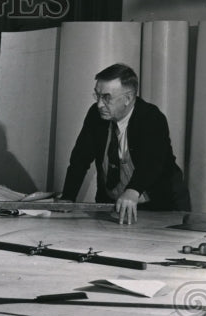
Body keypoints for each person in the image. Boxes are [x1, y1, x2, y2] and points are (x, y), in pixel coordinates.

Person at [60, 62, 191, 224]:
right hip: (114, 206)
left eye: (107, 97)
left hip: (162, 204)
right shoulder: (95, 115)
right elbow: (80, 159)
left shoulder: (151, 117)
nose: (100, 104)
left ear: (128, 98)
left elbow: (153, 162)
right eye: (97, 95)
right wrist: (68, 197)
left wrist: (133, 190)